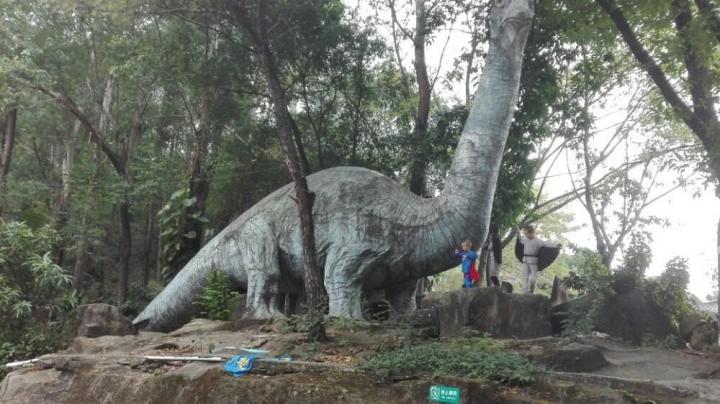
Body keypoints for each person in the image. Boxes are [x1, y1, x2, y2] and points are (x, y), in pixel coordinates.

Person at [517, 225, 560, 294]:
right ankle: (524, 293)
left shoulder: (538, 241)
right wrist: (517, 231)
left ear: (532, 233)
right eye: (525, 234)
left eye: (527, 234)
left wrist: (556, 245)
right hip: (525, 260)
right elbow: (520, 239)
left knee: (533, 279)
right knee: (525, 278)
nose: (526, 235)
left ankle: (531, 291)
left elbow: (547, 244)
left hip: (534, 261)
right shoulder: (525, 240)